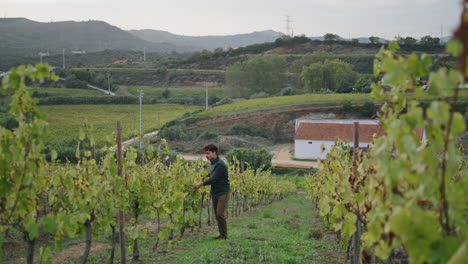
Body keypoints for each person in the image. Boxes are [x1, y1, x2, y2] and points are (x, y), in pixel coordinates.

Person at [194, 144, 230, 239]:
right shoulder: (213, 163)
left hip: (223, 192)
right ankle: (222, 234)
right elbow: (211, 174)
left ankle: (224, 235)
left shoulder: (220, 164)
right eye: (205, 153)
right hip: (215, 192)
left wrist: (201, 183)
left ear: (214, 152)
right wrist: (204, 176)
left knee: (220, 214)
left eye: (208, 153)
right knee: (217, 215)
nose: (206, 155)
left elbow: (213, 179)